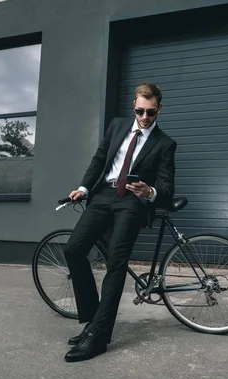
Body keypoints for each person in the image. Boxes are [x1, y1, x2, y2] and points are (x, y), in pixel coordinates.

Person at [62, 82, 177, 362]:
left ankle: (99, 336)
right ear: (133, 106)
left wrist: (149, 192)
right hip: (102, 195)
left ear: (159, 109)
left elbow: (166, 187)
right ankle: (92, 319)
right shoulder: (117, 125)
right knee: (73, 249)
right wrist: (84, 188)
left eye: (151, 112)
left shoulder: (165, 144)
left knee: (116, 262)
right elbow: (100, 158)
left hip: (132, 202)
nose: (145, 117)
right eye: (140, 111)